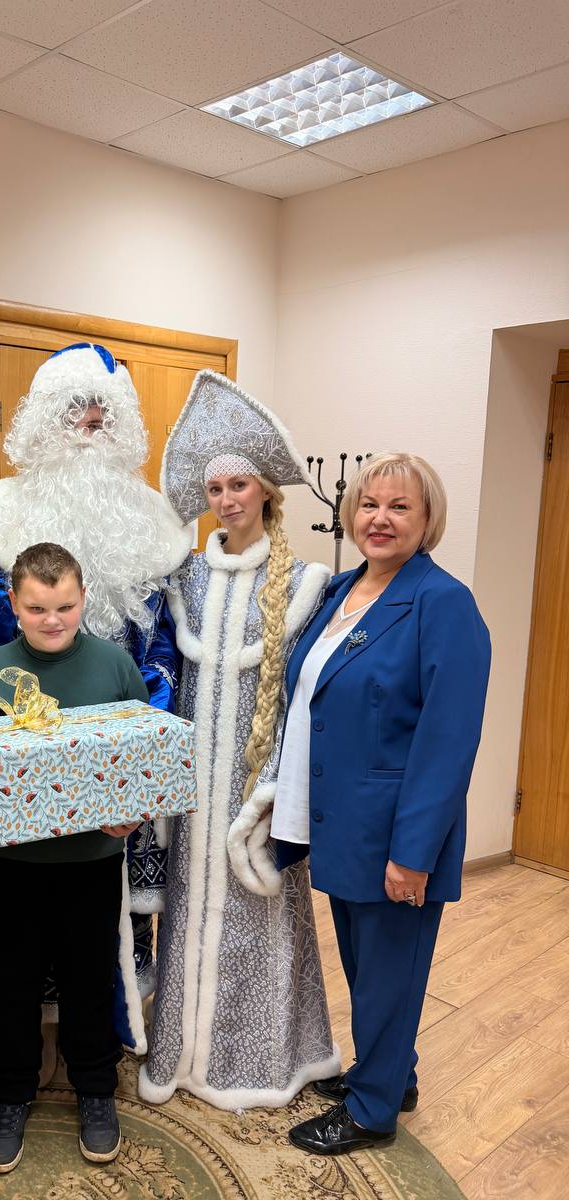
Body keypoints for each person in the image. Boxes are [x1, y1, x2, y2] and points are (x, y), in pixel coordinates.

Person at [0, 342, 191, 1052]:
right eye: (76, 409)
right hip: (13, 760)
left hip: (112, 768)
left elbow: (163, 654)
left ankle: (97, 1044)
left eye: (104, 413)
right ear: (44, 419)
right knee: (16, 922)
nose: (90, 424)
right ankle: (22, 1053)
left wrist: (138, 770)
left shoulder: (155, 524)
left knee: (96, 924)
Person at [269, 453, 491, 1155]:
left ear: (427, 520)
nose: (381, 519)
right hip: (343, 822)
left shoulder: (442, 603)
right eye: (369, 505)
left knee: (390, 971)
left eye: (400, 507)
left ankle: (371, 1113)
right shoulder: (342, 588)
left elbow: (448, 740)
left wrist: (413, 853)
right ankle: (394, 1076)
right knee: (371, 971)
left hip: (395, 831)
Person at [140, 370, 339, 1109]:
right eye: (216, 488)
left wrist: (279, 784)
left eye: (240, 485)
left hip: (257, 780)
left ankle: (259, 1061)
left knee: (261, 915)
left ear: (265, 492)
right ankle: (180, 1053)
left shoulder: (308, 581)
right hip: (194, 783)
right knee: (189, 907)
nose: (227, 500)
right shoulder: (186, 577)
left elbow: (303, 695)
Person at [0, 542, 149, 1173]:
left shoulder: (116, 667)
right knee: (9, 984)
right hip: (8, 866)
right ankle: (10, 1095)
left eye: (65, 606)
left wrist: (133, 811)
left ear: (83, 599)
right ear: (13, 603)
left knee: (90, 979)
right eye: (38, 608)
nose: (52, 620)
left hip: (91, 861)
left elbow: (141, 756)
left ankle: (96, 1089)